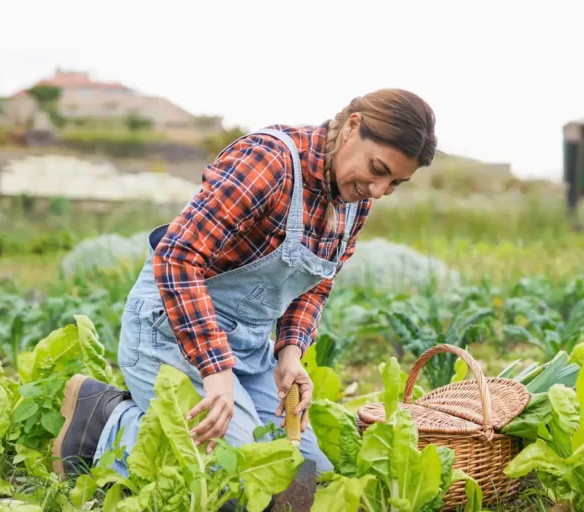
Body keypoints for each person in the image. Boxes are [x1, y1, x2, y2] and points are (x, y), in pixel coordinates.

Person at [51, 88, 438, 480]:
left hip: (250, 352)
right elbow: (177, 257)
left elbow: (318, 283)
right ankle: (103, 419)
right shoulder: (270, 162)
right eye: (377, 169)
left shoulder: (356, 201)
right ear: (353, 126)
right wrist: (214, 368)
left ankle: (177, 422)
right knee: (244, 477)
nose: (377, 190)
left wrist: (289, 351)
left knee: (306, 478)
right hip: (170, 334)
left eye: (394, 183)